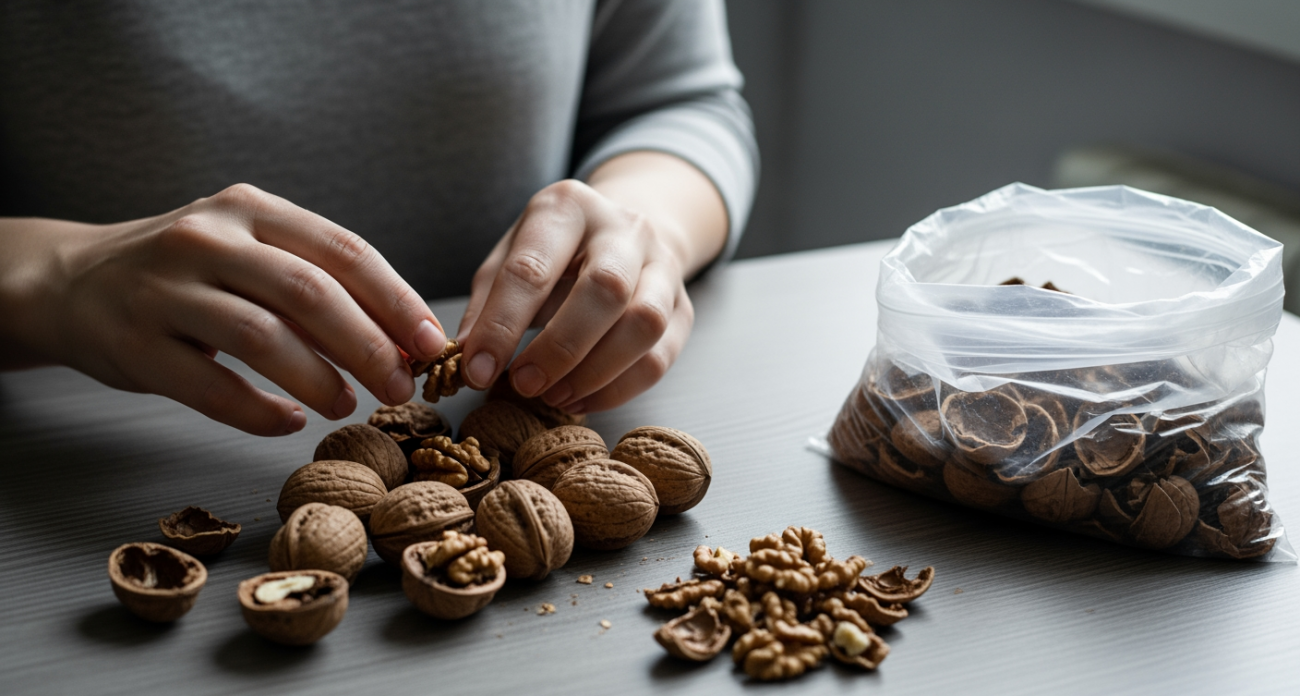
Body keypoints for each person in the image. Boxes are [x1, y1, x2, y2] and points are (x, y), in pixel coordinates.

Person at [0, 0, 757, 436]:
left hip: (505, 412)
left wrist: (642, 220)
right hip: (76, 453)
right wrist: (51, 275)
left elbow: (680, 101)